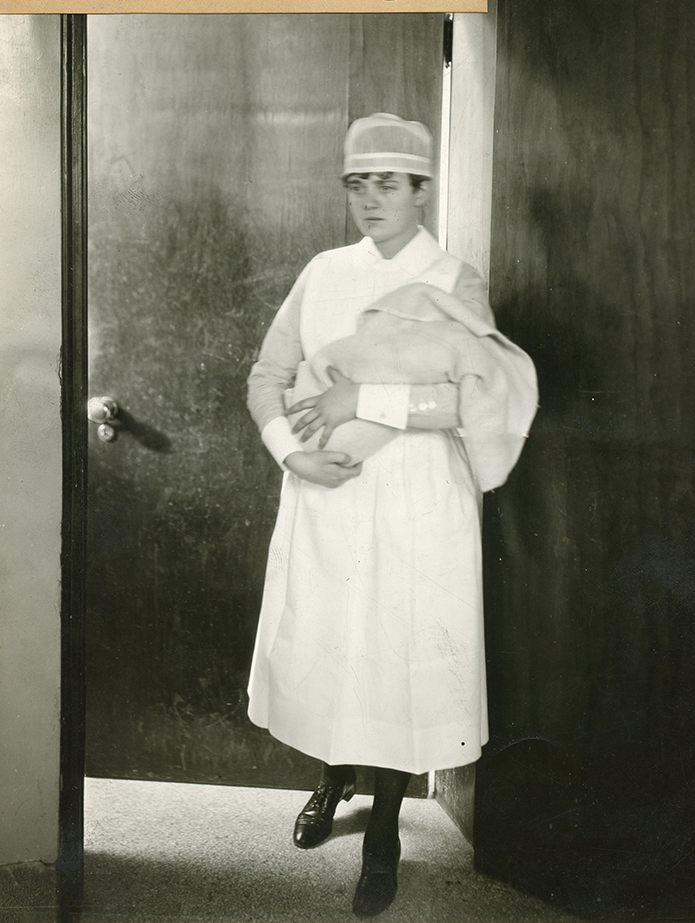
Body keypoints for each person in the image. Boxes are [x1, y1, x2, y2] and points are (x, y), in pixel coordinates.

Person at [246, 113, 538, 917]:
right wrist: (290, 451)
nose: (368, 200)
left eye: (386, 183)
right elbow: (267, 374)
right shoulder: (322, 271)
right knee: (338, 647)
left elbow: (473, 397)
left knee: (397, 655)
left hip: (413, 496)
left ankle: (382, 837)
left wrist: (357, 396)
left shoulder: (450, 278)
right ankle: (331, 778)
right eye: (356, 184)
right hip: (325, 492)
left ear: (420, 189)